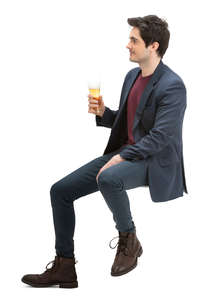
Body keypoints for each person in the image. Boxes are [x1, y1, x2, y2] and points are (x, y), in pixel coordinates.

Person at [21, 14, 188, 288]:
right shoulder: (132, 76)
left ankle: (129, 240)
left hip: (154, 160)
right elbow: (127, 121)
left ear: (153, 46)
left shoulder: (172, 85)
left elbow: (161, 137)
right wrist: (104, 113)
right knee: (60, 191)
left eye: (134, 40)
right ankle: (64, 266)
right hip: (127, 152)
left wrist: (122, 157)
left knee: (108, 177)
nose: (128, 45)